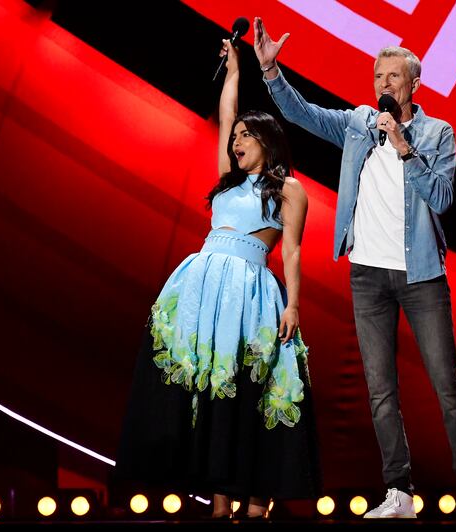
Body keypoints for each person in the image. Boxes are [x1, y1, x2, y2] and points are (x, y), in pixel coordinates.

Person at [253, 17, 456, 519]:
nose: (383, 86)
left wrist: (405, 149)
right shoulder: (361, 123)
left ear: (414, 84)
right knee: (381, 389)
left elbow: (444, 198)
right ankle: (398, 493)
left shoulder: (436, 132)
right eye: (378, 77)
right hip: (367, 274)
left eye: (393, 78)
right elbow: (306, 116)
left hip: (421, 275)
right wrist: (272, 73)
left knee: (446, 385)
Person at [114, 39, 319, 519]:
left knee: (251, 388)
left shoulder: (290, 191)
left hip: (250, 292)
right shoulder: (228, 180)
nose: (236, 141)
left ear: (266, 140)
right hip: (204, 289)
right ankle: (218, 500)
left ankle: (253, 499)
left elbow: (291, 250)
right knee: (206, 390)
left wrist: (292, 305)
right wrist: (232, 72)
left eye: (246, 135)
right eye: (235, 138)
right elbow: (224, 118)